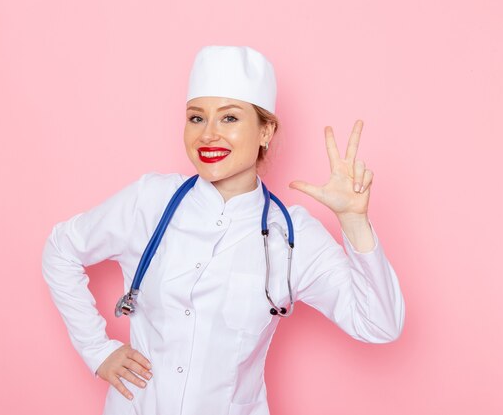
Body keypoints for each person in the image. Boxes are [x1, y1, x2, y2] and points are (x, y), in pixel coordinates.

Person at [41, 45, 406, 415]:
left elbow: (379, 324)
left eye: (229, 118)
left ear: (266, 131)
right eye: (196, 118)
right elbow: (62, 249)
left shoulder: (291, 234)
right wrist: (97, 350)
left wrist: (354, 221)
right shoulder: (150, 201)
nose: (208, 135)